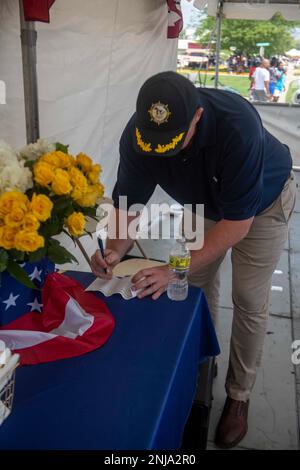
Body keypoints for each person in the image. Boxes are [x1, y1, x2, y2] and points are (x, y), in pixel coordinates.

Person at [91, 72, 296, 449]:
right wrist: (116, 251)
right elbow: (127, 207)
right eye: (154, 144)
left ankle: (239, 394)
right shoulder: (139, 135)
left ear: (197, 117)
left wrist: (171, 268)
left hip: (262, 204)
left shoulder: (238, 125)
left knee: (248, 298)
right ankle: (202, 362)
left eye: (171, 143)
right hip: (203, 204)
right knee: (193, 286)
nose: (162, 153)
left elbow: (237, 224)